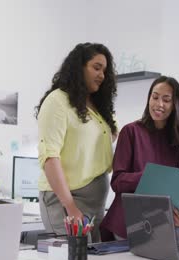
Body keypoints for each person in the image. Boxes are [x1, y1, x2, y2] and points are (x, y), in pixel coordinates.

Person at [100, 76, 179, 248]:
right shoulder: (130, 132)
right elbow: (117, 182)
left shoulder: (174, 147)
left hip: (156, 224)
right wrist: (150, 176)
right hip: (127, 224)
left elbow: (168, 195)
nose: (158, 104)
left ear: (175, 105)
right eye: (154, 97)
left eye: (166, 100)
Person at [35, 42, 118, 242]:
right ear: (79, 67)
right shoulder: (57, 101)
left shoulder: (96, 107)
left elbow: (111, 135)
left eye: (104, 70)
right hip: (66, 201)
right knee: (75, 257)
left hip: (95, 204)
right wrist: (70, 207)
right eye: (96, 67)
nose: (102, 75)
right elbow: (50, 158)